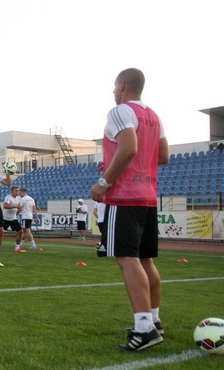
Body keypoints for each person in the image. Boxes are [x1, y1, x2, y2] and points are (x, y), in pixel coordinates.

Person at [90, 67, 169, 351]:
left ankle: (144, 328)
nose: (113, 91)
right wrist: (119, 163)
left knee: (127, 259)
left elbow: (129, 148)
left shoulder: (120, 111)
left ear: (122, 85)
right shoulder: (154, 116)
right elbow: (162, 156)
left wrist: (104, 181)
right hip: (148, 196)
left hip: (123, 197)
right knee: (146, 259)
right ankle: (155, 321)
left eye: (114, 86)